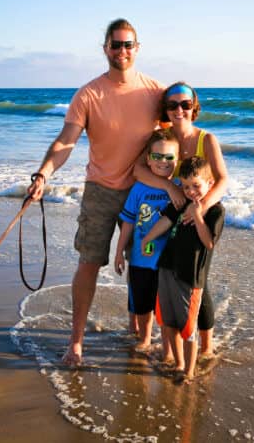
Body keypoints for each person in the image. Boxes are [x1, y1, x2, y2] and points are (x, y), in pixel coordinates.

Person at [27, 18, 164, 367]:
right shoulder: (88, 94)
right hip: (100, 191)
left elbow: (174, 141)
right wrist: (43, 174)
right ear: (105, 49)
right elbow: (65, 141)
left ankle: (141, 333)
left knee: (142, 265)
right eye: (115, 45)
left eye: (128, 44)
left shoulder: (155, 92)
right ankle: (75, 343)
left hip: (144, 192)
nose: (122, 51)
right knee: (88, 263)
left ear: (138, 48)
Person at [132, 81, 228, 359]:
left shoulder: (206, 140)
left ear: (194, 108)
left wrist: (199, 207)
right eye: (172, 105)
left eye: (185, 104)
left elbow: (223, 180)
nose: (179, 110)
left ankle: (207, 348)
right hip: (171, 213)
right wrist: (170, 188)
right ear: (166, 108)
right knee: (171, 277)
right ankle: (168, 343)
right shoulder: (162, 135)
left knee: (199, 279)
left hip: (201, 215)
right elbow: (139, 169)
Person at [140, 156, 224, 384]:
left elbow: (208, 242)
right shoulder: (180, 203)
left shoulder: (215, 211)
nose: (191, 191)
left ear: (209, 182)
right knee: (169, 323)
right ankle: (178, 363)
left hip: (190, 277)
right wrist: (147, 238)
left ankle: (189, 370)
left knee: (187, 328)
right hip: (167, 269)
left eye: (196, 185)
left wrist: (197, 216)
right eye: (186, 186)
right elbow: (166, 221)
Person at [113, 128, 179, 353]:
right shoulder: (138, 189)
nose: (163, 161)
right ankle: (145, 339)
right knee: (142, 303)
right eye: (157, 156)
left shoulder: (180, 187)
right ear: (148, 159)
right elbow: (128, 222)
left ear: (177, 160)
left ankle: (169, 348)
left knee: (166, 306)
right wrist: (119, 252)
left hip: (169, 262)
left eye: (169, 157)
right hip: (141, 260)